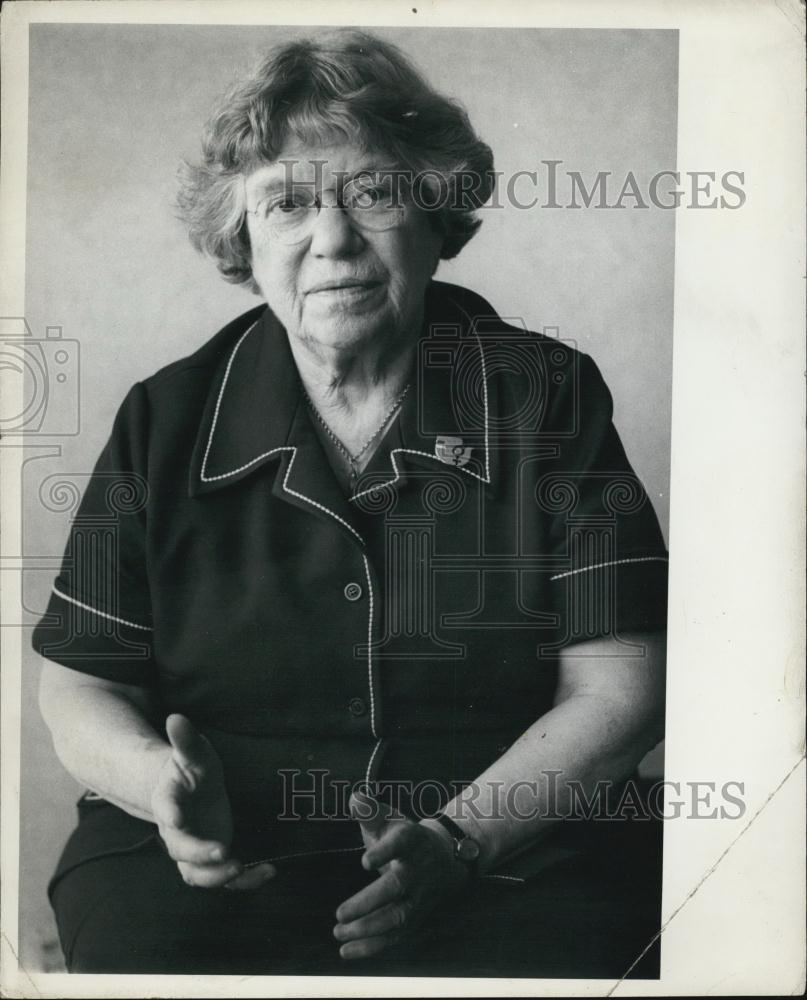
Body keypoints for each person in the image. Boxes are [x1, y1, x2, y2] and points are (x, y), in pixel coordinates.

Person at [32, 30, 669, 977]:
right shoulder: (164, 419)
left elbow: (620, 685)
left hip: (514, 851)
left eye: (371, 192)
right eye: (287, 202)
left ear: (434, 210)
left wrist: (459, 843)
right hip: (216, 865)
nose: (331, 239)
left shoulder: (546, 395)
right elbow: (82, 682)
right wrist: (161, 788)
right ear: (242, 235)